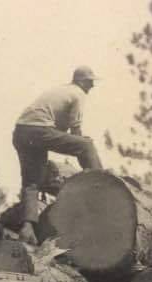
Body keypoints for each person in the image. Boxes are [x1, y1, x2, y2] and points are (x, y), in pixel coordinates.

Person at [12, 66, 104, 244]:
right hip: (38, 131)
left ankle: (28, 227)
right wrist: (83, 151)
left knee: (32, 183)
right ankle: (101, 185)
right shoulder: (78, 94)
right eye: (90, 82)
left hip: (21, 131)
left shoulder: (62, 90)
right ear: (81, 82)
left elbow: (58, 127)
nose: (91, 86)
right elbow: (75, 129)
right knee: (86, 145)